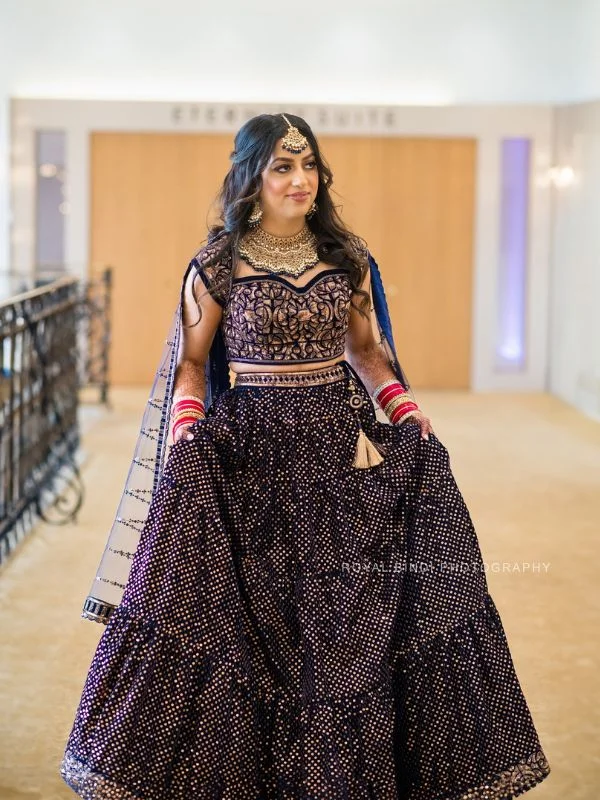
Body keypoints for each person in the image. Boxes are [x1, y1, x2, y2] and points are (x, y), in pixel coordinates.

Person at [60, 113, 551, 799]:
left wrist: (405, 409)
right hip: (248, 461)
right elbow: (193, 362)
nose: (300, 180)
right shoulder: (216, 266)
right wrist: (187, 422)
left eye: (309, 166)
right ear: (252, 178)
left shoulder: (344, 260)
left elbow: (368, 352)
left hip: (334, 458)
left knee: (342, 623)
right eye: (283, 167)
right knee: (248, 620)